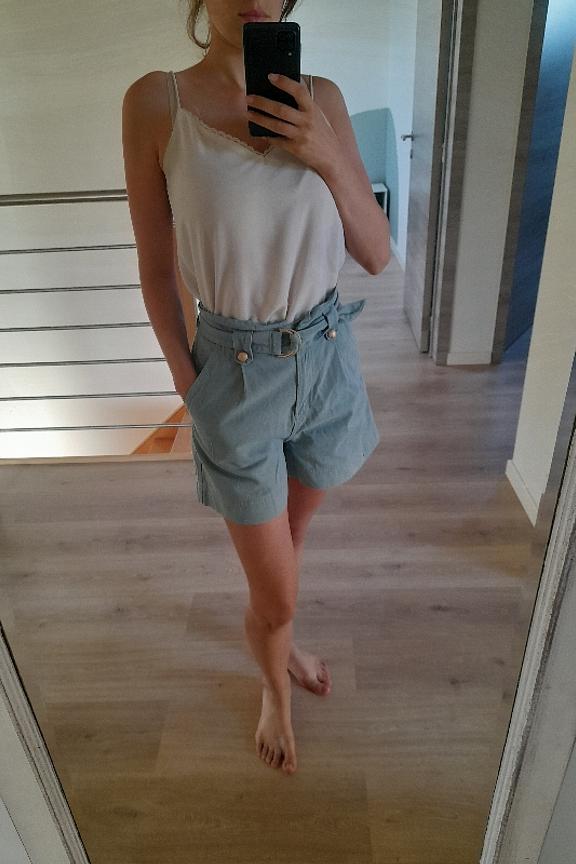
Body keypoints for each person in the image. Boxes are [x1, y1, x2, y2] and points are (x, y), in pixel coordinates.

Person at [121, 0, 390, 776]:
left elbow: (376, 254)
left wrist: (327, 153)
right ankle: (276, 686)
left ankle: (281, 641)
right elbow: (157, 269)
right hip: (233, 376)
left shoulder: (323, 98)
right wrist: (192, 389)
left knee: (288, 552)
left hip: (326, 358)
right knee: (274, 593)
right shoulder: (156, 102)